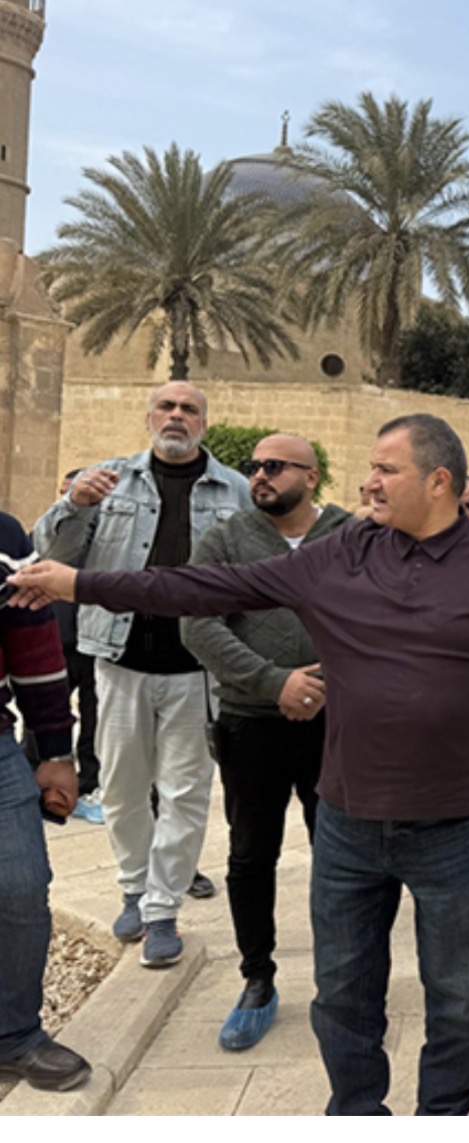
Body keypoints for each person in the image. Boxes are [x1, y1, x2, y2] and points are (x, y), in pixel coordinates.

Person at [12, 413, 469, 1116]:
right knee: (343, 994)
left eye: (386, 469)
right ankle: (356, 1113)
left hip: (459, 825)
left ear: (439, 481)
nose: (368, 482)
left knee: (456, 997)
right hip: (350, 823)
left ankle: (444, 1115)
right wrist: (80, 583)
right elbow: (207, 588)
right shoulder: (342, 553)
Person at [32, 382, 250, 967]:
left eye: (189, 409)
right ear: (149, 416)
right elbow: (50, 552)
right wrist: (75, 503)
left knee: (185, 793)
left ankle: (161, 911)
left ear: (204, 422)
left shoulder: (235, 490)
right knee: (122, 788)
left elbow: (259, 571)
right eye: (166, 407)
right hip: (119, 659)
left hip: (196, 668)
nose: (177, 416)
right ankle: (133, 887)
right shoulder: (107, 481)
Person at [180, 435, 350, 1051]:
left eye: (274, 466)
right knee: (251, 856)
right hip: (251, 723)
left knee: (344, 857)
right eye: (253, 466)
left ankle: (346, 980)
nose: (259, 475)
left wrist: (326, 682)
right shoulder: (227, 540)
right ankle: (258, 978)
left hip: (338, 725)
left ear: (312, 475)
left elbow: (385, 617)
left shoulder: (351, 536)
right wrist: (274, 681)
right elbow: (196, 622)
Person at [0, 510, 92, 1093]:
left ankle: (13, 1036)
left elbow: (33, 646)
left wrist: (56, 751)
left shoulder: (4, 537)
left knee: (21, 885)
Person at [22, 469, 104, 825]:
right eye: (66, 493)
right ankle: (30, 779)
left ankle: (87, 786)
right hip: (55, 643)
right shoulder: (46, 537)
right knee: (42, 717)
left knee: (94, 721)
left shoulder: (102, 543)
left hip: (94, 646)